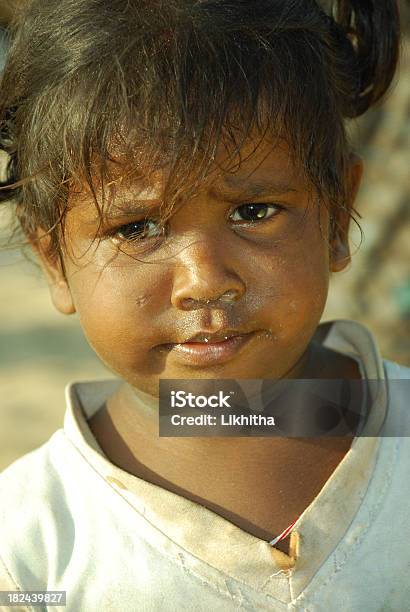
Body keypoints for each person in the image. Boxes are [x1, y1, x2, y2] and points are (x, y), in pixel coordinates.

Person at [0, 1, 409, 610]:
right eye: (137, 229)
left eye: (253, 212)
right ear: (56, 259)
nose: (204, 281)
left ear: (335, 217)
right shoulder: (31, 550)